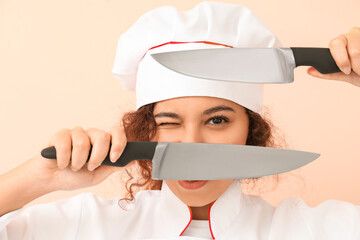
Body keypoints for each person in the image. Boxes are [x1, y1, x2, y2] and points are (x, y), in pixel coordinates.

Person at [0, 2, 359, 239]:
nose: (193, 142)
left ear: (252, 131)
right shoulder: (86, 226)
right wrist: (36, 178)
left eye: (217, 120)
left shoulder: (313, 230)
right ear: (146, 132)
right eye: (169, 121)